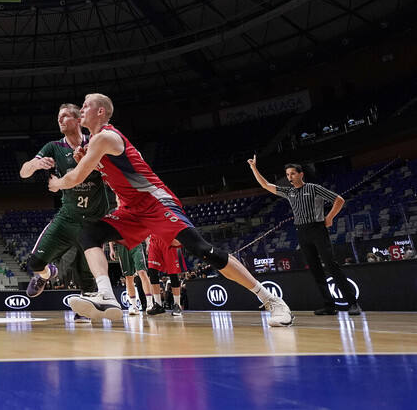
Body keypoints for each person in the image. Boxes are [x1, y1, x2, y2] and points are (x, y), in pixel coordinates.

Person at [52, 93, 293, 326]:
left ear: (100, 111)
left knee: (203, 250)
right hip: (132, 209)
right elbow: (110, 173)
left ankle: (271, 300)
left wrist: (57, 183)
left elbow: (75, 178)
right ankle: (105, 295)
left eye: (85, 106)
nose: (81, 110)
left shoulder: (105, 137)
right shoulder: (96, 144)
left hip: (155, 202)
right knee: (89, 233)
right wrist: (89, 160)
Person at [19, 103, 113, 323]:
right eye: (58, 117)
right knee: (34, 263)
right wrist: (35, 165)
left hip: (93, 221)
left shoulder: (95, 143)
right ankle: (47, 274)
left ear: (78, 119)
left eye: (64, 116)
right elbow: (24, 172)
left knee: (86, 276)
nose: (59, 120)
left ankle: (85, 310)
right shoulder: (53, 147)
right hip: (68, 217)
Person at [248, 157, 361, 315]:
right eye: (287, 174)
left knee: (331, 266)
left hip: (317, 229)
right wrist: (254, 168)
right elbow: (266, 185)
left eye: (293, 173)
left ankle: (353, 303)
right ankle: (329, 305)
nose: (289, 177)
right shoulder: (289, 191)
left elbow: (339, 200)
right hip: (302, 231)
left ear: (301, 174)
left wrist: (329, 218)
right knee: (315, 270)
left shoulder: (314, 188)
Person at [109, 241, 156, 316]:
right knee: (128, 276)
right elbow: (112, 233)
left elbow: (144, 229)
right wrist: (111, 249)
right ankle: (133, 306)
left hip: (135, 243)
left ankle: (150, 304)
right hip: (122, 246)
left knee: (142, 272)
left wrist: (147, 243)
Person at [146, 234, 185, 316]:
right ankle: (158, 304)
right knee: (152, 271)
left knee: (173, 273)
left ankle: (177, 305)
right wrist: (147, 243)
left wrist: (179, 237)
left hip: (169, 239)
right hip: (154, 240)